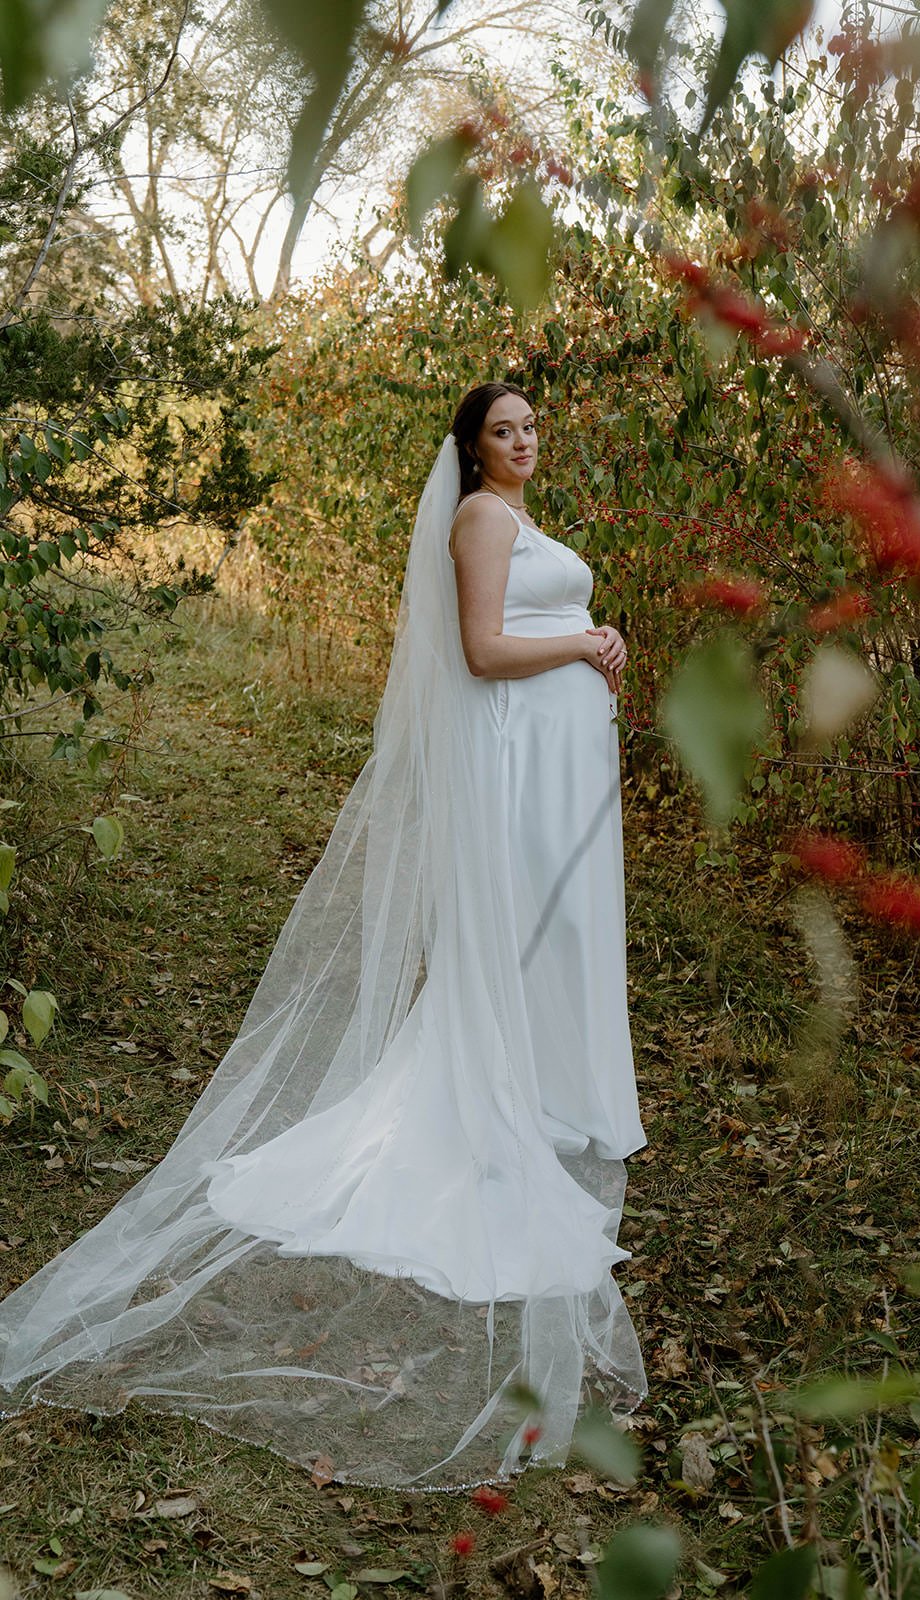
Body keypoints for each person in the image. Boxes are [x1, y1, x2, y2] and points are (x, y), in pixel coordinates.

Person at [0, 381, 647, 1489]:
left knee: (553, 939)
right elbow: (487, 651)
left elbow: (530, 630)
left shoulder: (522, 518)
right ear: (471, 447)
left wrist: (598, 641)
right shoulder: (480, 519)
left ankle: (548, 1086)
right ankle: (511, 1096)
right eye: (503, 429)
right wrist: (582, 647)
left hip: (555, 760)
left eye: (532, 426)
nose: (524, 440)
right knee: (519, 939)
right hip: (516, 759)